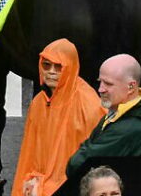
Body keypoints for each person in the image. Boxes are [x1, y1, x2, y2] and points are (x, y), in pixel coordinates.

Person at [11, 39, 105, 196]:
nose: (51, 71)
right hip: (40, 183)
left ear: (70, 67)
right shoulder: (39, 102)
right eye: (46, 65)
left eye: (58, 66)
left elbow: (95, 158)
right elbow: (28, 154)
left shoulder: (87, 104)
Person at [65, 54, 141, 178]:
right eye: (100, 82)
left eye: (108, 84)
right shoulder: (121, 114)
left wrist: (84, 149)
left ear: (131, 87)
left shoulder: (127, 129)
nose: (100, 89)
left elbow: (76, 166)